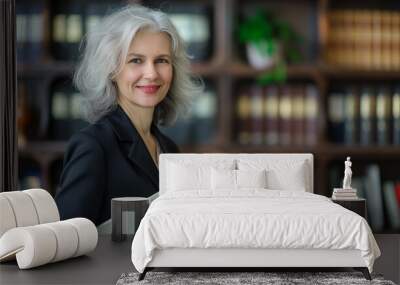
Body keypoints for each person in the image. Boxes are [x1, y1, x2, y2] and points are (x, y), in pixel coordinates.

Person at [55, 5, 203, 226]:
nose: (151, 73)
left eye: (161, 60)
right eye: (136, 60)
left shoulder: (170, 149)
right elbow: (67, 239)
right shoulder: (93, 146)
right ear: (112, 69)